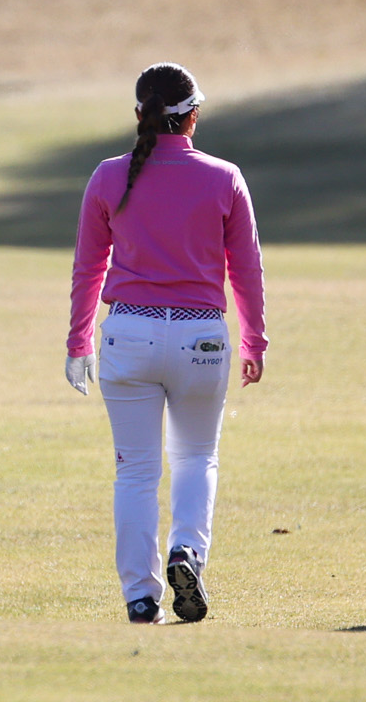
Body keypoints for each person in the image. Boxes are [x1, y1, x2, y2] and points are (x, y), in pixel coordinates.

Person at [66, 63, 267, 625]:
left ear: (139, 116)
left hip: (128, 334)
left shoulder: (108, 176)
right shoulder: (224, 177)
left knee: (135, 472)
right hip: (201, 339)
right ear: (193, 116)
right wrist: (255, 339)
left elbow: (88, 268)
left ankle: (139, 594)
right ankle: (188, 553)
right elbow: (246, 270)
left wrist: (78, 340)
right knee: (197, 457)